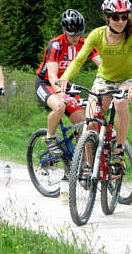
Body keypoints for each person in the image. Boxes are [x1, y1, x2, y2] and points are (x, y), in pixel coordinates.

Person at [60, 0, 132, 165]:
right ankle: (89, 167)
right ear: (107, 17)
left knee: (120, 102)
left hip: (127, 80)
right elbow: (79, 60)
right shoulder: (97, 35)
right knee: (91, 124)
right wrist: (65, 77)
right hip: (104, 80)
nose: (120, 21)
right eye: (115, 17)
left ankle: (119, 150)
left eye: (124, 17)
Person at [35, 9, 100, 156]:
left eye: (79, 33)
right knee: (59, 106)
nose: (76, 37)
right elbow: (52, 75)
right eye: (73, 34)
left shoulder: (85, 44)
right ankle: (50, 138)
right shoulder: (56, 45)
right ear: (64, 30)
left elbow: (102, 65)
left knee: (85, 127)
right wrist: (60, 93)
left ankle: (81, 166)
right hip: (45, 83)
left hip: (66, 85)